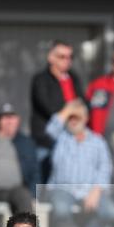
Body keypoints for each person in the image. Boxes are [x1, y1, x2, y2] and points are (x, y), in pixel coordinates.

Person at [45, 99, 114, 227]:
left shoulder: (98, 141)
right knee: (61, 209)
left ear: (86, 118)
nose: (73, 121)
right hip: (62, 189)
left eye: (77, 117)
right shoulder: (60, 137)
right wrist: (68, 110)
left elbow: (105, 167)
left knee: (111, 211)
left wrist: (96, 190)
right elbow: (50, 129)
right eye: (70, 117)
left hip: (90, 190)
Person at [30, 40, 84, 184]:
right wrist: (69, 110)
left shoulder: (73, 78)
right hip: (47, 140)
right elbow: (47, 106)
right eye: (62, 56)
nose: (67, 60)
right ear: (51, 57)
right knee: (43, 182)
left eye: (70, 57)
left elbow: (83, 102)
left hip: (70, 139)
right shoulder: (41, 80)